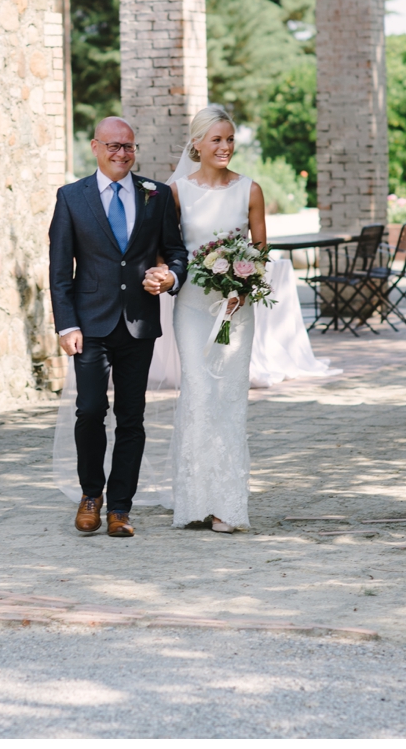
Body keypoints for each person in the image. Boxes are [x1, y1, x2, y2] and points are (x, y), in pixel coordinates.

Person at [48, 117, 187, 538]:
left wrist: (170, 277)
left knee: (132, 417)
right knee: (90, 410)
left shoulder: (156, 195)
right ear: (95, 146)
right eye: (113, 146)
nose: (121, 153)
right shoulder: (72, 197)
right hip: (89, 326)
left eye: (128, 146)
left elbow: (176, 252)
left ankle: (120, 509)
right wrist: (66, 324)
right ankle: (92, 495)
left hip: (138, 322)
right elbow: (59, 270)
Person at [166, 105, 266, 533]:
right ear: (197, 144)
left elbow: (260, 250)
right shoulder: (176, 192)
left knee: (228, 398)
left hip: (235, 310)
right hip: (191, 307)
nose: (224, 147)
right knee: (199, 394)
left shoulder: (250, 190)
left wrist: (241, 286)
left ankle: (227, 505)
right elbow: (168, 249)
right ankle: (194, 501)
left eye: (229, 140)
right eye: (216, 140)